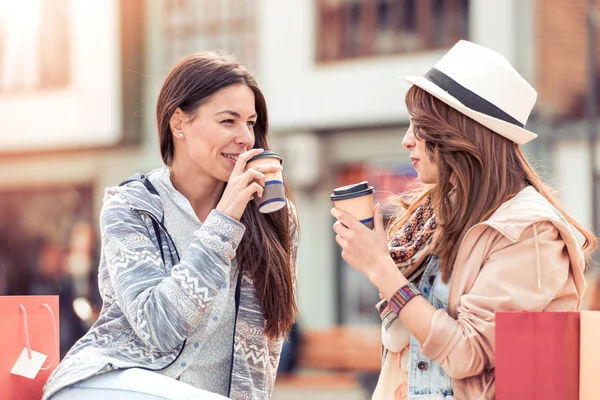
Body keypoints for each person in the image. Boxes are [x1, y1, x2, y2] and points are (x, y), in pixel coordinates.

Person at [330, 40, 597, 399]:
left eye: (420, 125)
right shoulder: (436, 218)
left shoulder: (528, 230)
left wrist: (382, 270)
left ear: (458, 134)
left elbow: (468, 353)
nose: (407, 140)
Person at [44, 51, 299, 400]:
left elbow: (266, 346)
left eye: (251, 123)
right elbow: (159, 327)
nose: (246, 138)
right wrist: (224, 221)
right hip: (113, 384)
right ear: (179, 123)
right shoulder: (132, 206)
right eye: (228, 121)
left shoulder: (270, 215)